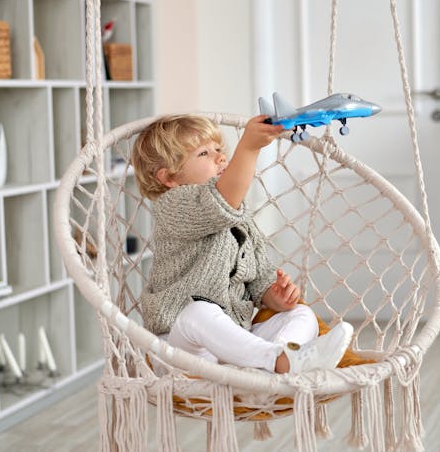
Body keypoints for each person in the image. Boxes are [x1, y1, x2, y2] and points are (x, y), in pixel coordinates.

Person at [131, 113, 352, 374]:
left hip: (235, 344)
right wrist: (248, 147)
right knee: (197, 313)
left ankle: (275, 363)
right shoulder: (173, 206)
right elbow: (221, 199)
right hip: (182, 350)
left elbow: (258, 277)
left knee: (301, 315)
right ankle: (274, 362)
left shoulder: (240, 219)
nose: (220, 157)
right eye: (204, 154)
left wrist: (275, 296)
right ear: (168, 178)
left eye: (218, 149)